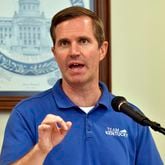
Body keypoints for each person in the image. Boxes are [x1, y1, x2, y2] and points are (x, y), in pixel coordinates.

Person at [0, 6, 163, 165]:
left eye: (83, 41)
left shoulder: (130, 116)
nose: (73, 52)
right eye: (64, 43)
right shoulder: (26, 114)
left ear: (102, 50)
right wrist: (40, 151)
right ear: (54, 53)